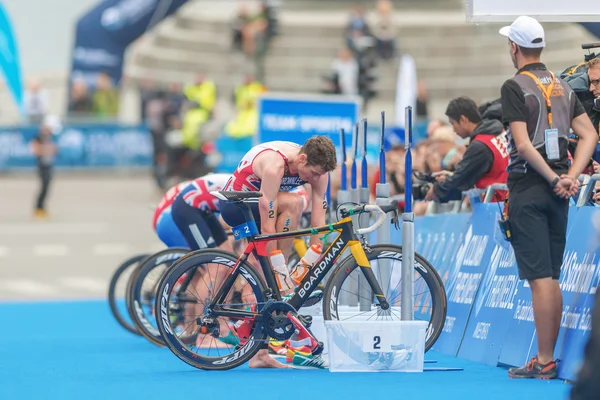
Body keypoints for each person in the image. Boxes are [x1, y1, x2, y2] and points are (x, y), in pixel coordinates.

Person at [498, 15, 597, 379]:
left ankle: (544, 360)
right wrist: (569, 177)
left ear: (514, 47)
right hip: (559, 192)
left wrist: (556, 176)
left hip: (529, 185)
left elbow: (522, 144)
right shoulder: (563, 85)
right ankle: (547, 358)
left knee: (540, 277)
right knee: (551, 275)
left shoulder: (514, 86)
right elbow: (589, 135)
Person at [218, 136, 337, 369]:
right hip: (237, 204)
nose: (314, 179)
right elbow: (267, 224)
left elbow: (319, 217)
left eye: (319, 175)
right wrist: (276, 265)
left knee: (269, 284)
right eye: (312, 173)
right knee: (294, 204)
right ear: (302, 159)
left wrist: (314, 254)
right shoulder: (274, 165)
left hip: (262, 204)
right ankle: (278, 281)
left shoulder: (319, 171)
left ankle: (260, 352)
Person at [425, 96, 509, 203]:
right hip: (507, 201)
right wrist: (452, 176)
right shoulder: (498, 132)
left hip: (498, 208)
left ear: (463, 120)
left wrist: (436, 191)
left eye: (453, 124)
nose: (454, 130)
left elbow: (461, 180)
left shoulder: (480, 145)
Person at [30, 116, 59, 219]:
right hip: (42, 165)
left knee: (47, 187)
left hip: (48, 164)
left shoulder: (49, 137)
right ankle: (38, 208)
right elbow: (34, 149)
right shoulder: (39, 137)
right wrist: (48, 150)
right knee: (43, 186)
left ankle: (42, 208)